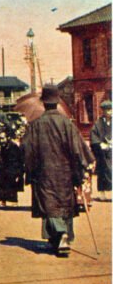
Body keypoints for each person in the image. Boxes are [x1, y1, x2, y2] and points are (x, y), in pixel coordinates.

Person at [21, 84, 95, 257]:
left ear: (43, 104)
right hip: (65, 173)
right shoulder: (67, 124)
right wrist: (81, 169)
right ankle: (60, 238)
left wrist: (30, 170)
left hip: (44, 173)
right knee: (64, 204)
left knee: (49, 205)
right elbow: (79, 150)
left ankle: (60, 234)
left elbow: (27, 149)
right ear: (57, 102)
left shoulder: (36, 125)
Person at [0, 129, 25, 207]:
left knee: (11, 185)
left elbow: (19, 159)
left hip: (11, 169)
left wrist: (18, 172)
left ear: (7, 138)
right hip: (0, 169)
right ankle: (3, 201)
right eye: (0, 138)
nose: (1, 140)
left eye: (2, 138)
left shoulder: (13, 146)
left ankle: (14, 201)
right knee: (0, 186)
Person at [90, 100, 112, 201]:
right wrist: (100, 144)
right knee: (103, 172)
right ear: (103, 111)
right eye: (107, 110)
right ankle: (102, 194)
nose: (110, 112)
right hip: (103, 153)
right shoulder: (98, 124)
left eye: (111, 109)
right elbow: (94, 136)